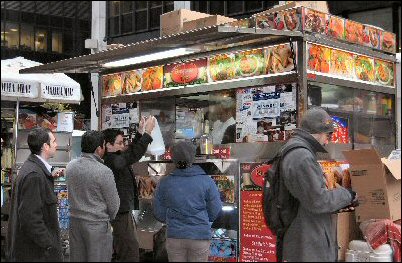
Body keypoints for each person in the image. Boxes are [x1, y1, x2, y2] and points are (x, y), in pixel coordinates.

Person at [280, 108, 358, 262]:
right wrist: (348, 195)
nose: (327, 141)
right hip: (307, 246)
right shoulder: (301, 157)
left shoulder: (298, 152)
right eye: (328, 135)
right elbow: (318, 200)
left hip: (305, 241)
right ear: (318, 131)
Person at [153, 140, 222, 262]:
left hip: (175, 236)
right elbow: (215, 210)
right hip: (199, 236)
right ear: (193, 157)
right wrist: (205, 220)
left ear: (173, 158)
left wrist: (170, 219)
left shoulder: (165, 182)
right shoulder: (206, 181)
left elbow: (158, 212)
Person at [103, 116, 156, 262]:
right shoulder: (112, 161)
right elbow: (133, 154)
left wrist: (139, 133)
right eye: (119, 143)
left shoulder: (116, 156)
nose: (122, 146)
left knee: (126, 248)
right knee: (130, 251)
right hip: (119, 213)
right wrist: (148, 133)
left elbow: (129, 151)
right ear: (108, 145)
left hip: (123, 210)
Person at [7, 127, 63, 262]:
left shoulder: (34, 169)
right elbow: (30, 218)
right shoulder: (34, 175)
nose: (56, 144)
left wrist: (49, 176)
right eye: (53, 141)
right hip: (36, 253)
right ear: (45, 146)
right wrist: (49, 244)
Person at [65, 130, 120, 262]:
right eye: (104, 145)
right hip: (97, 226)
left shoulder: (70, 166)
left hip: (75, 224)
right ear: (98, 149)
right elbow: (114, 205)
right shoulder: (104, 171)